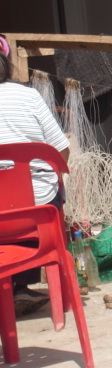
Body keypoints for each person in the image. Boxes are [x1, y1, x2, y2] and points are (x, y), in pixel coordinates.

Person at [0, 47, 70, 315]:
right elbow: (61, 151)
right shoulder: (29, 96)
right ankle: (21, 284)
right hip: (36, 210)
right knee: (44, 191)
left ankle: (13, 288)